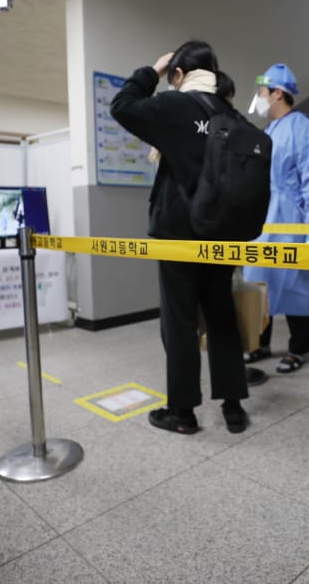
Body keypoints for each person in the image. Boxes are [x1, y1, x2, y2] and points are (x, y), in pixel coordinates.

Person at [110, 41, 250, 435]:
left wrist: (151, 71)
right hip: (221, 234)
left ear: (178, 74)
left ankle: (183, 413)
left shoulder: (176, 105)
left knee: (180, 322)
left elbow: (122, 106)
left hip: (178, 233)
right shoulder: (229, 113)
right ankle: (233, 408)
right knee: (222, 317)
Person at [243, 64, 309, 374]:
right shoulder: (267, 132)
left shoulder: (303, 129)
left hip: (290, 216)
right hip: (263, 216)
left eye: (261, 92)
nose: (259, 97)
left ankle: (299, 347)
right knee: (258, 280)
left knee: (292, 282)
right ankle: (260, 342)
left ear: (278, 93)